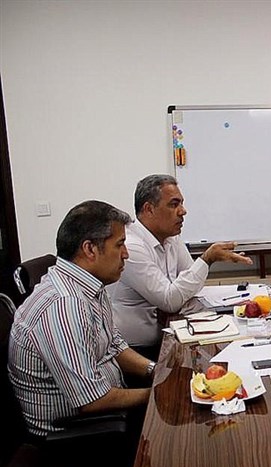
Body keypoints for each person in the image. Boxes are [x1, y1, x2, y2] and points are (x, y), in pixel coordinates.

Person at [8, 201, 154, 438]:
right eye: (119, 244)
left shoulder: (90, 286)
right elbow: (92, 400)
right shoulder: (64, 305)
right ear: (90, 249)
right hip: (78, 438)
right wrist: (157, 393)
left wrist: (155, 372)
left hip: (107, 415)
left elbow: (114, 345)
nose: (126, 254)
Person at [110, 174, 252, 357]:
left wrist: (179, 292)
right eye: (174, 204)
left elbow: (192, 285)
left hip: (170, 336)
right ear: (149, 209)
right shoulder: (132, 247)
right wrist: (207, 258)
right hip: (136, 351)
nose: (183, 211)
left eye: (182, 204)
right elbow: (170, 301)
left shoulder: (171, 237)